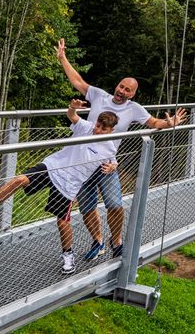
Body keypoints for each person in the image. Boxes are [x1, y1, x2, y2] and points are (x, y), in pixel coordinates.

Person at [55, 38, 186, 260]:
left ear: (132, 94)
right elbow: (77, 81)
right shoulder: (99, 95)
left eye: (127, 90)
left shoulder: (133, 109)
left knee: (114, 204)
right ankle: (98, 241)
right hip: (84, 162)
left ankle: (116, 242)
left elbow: (154, 123)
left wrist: (169, 123)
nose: (122, 91)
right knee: (87, 207)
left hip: (107, 164)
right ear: (117, 86)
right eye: (121, 86)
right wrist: (62, 58)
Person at [0, 100, 118, 275]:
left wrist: (112, 167)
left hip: (69, 184)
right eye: (98, 126)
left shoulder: (109, 148)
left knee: (62, 221)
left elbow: (113, 162)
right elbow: (72, 116)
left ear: (111, 130)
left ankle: (68, 255)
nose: (98, 130)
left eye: (103, 129)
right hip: (52, 167)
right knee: (20, 179)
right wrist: (72, 107)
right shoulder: (85, 128)